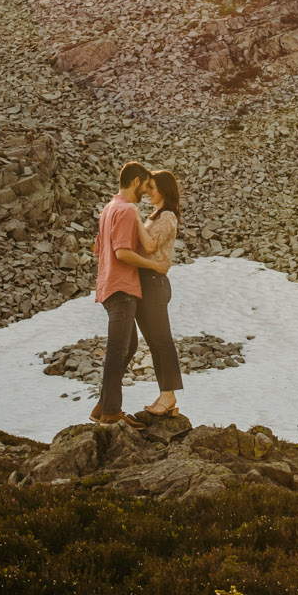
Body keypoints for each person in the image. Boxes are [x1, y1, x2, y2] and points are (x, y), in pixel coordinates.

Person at [90, 161, 152, 424]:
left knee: (129, 345)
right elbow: (122, 252)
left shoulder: (108, 208)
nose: (147, 193)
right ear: (136, 181)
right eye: (146, 186)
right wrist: (154, 264)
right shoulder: (127, 210)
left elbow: (97, 249)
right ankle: (111, 413)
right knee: (118, 349)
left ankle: (102, 406)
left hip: (107, 285)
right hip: (122, 289)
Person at [127, 170, 184, 422]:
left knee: (161, 341)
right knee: (155, 342)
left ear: (164, 189)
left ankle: (169, 396)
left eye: (152, 187)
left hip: (154, 283)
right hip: (146, 282)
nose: (148, 191)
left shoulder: (167, 216)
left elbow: (149, 246)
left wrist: (133, 218)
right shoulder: (156, 215)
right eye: (147, 187)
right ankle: (166, 396)